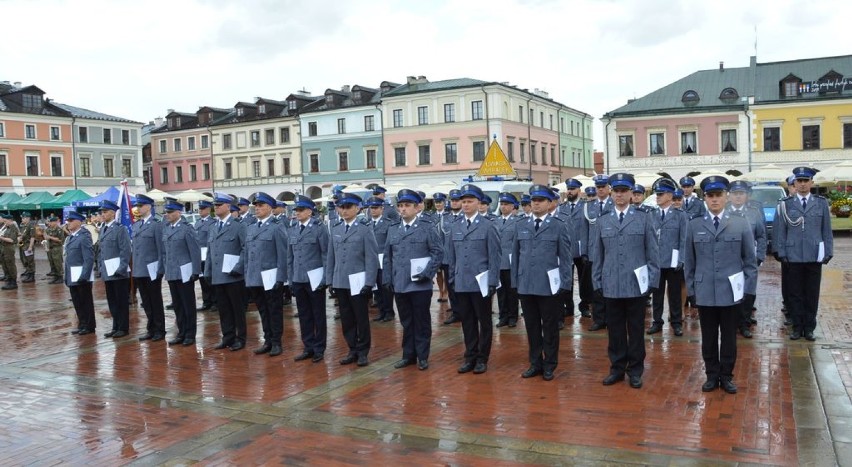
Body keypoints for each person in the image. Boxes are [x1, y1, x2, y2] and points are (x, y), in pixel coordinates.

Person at [684, 176, 757, 394]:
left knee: (728, 337)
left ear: (726, 196)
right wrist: (691, 291)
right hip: (705, 291)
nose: (714, 199)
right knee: (707, 337)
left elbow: (750, 261)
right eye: (710, 195)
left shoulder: (740, 223)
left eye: (718, 195)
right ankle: (711, 375)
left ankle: (726, 376)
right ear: (704, 198)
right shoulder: (694, 224)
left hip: (730, 292)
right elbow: (689, 262)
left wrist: (747, 291)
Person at [591, 173, 659, 389]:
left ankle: (636, 370)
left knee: (636, 329)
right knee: (615, 330)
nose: (620, 195)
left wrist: (651, 281)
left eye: (624, 191)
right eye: (616, 191)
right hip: (611, 284)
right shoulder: (603, 221)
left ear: (631, 193)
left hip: (636, 284)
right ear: (611, 193)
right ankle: (617, 368)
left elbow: (653, 253)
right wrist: (597, 281)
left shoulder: (644, 218)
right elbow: (597, 255)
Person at [513, 185, 573, 381]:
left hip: (549, 286)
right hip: (527, 284)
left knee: (549, 327)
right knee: (531, 326)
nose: (536, 203)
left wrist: (565, 283)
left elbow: (565, 258)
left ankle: (550, 364)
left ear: (550, 203)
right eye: (533, 200)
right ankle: (535, 362)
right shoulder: (521, 225)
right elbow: (516, 256)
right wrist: (516, 282)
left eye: (540, 200)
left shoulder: (558, 225)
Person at [384, 189, 443, 370]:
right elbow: (388, 256)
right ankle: (408, 354)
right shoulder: (393, 228)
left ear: (417, 207)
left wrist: (428, 272)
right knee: (406, 321)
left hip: (420, 283)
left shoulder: (427, 227)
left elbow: (437, 252)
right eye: (400, 205)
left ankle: (422, 356)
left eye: (407, 205)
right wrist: (387, 278)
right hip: (400, 283)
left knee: (422, 321)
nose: (403, 209)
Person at [446, 184, 501, 375]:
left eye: (470, 201)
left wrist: (493, 280)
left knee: (483, 321)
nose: (466, 205)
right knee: (467, 321)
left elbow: (495, 256)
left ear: (479, 203)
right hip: (461, 282)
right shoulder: (455, 227)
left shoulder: (488, 226)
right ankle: (470, 355)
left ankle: (482, 358)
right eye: (464, 201)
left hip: (481, 281)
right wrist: (452, 278)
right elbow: (451, 256)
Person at [773, 167, 833, 341]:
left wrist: (828, 251)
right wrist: (781, 251)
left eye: (806, 181)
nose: (802, 184)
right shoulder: (786, 204)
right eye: (799, 181)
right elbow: (781, 231)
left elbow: (826, 230)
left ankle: (809, 328)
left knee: (812, 293)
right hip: (793, 256)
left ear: (812, 183)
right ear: (794, 183)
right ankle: (797, 327)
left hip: (814, 255)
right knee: (795, 294)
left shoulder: (820, 203)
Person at [326, 192, 378, 367]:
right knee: (346, 318)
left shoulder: (364, 230)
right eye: (342, 207)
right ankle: (352, 349)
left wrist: (370, 282)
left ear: (357, 208)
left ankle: (363, 351)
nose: (345, 210)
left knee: (361, 318)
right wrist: (330, 280)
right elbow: (331, 257)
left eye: (349, 207)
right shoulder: (336, 229)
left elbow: (371, 258)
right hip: (341, 280)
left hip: (358, 281)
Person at [286, 195, 329, 362]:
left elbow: (325, 254)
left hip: (315, 278)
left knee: (318, 314)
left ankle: (319, 348)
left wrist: (325, 278)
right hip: (298, 278)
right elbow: (290, 258)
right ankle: (308, 346)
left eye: (301, 210)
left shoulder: (319, 228)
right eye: (296, 210)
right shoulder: (293, 229)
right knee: (304, 315)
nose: (297, 213)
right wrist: (290, 280)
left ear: (310, 211)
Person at [245, 192, 289, 357]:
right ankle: (268, 340)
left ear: (270, 208)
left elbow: (282, 255)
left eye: (261, 205)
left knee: (274, 310)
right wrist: (247, 276)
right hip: (255, 277)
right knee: (263, 310)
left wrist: (280, 278)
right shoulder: (251, 227)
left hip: (271, 277)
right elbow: (248, 255)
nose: (257, 208)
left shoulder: (277, 227)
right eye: (256, 205)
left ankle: (277, 342)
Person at [205, 194, 248, 351]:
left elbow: (245, 248)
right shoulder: (213, 227)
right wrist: (207, 271)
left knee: (237, 309)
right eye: (215, 205)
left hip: (233, 275)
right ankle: (227, 336)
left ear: (228, 207)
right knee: (223, 309)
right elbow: (210, 252)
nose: (216, 207)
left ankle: (241, 338)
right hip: (218, 275)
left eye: (219, 205)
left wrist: (238, 267)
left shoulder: (238, 225)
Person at [648, 178, 688, 337]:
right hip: (656, 261)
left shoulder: (680, 215)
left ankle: (676, 322)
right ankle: (657, 321)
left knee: (675, 294)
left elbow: (684, 239)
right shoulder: (651, 214)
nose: (657, 196)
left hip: (673, 261)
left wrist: (682, 259)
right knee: (656, 294)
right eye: (656, 194)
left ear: (670, 196)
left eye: (660, 194)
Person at [727, 181, 767, 338]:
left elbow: (762, 236)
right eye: (735, 193)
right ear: (729, 196)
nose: (738, 197)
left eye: (741, 193)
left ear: (747, 196)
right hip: (730, 259)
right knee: (731, 291)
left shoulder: (754, 212)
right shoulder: (724, 212)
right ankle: (732, 323)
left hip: (749, 259)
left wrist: (760, 256)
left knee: (748, 291)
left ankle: (744, 323)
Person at [162, 201, 202, 346]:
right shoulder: (166, 229)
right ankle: (181, 332)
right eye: (167, 212)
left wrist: (196, 270)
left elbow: (195, 251)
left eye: (171, 212)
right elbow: (165, 252)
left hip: (185, 272)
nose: (168, 215)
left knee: (188, 304)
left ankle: (190, 334)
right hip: (172, 272)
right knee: (178, 305)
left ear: (179, 212)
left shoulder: (187, 229)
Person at [132, 194, 167, 341]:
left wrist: (160, 268)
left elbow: (161, 249)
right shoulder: (136, 225)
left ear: (149, 207)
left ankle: (159, 329)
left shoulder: (156, 225)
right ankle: (151, 328)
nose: (138, 208)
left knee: (155, 300)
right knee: (145, 301)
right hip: (140, 269)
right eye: (137, 206)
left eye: (141, 206)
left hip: (152, 269)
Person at [97, 200, 132, 339]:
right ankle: (115, 326)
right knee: (112, 301)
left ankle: (123, 328)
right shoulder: (103, 229)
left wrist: (122, 267)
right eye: (102, 212)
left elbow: (125, 250)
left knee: (121, 301)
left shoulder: (120, 229)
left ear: (112, 213)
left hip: (118, 272)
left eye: (105, 212)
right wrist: (100, 267)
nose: (102, 214)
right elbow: (101, 251)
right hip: (107, 271)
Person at [584, 174, 613, 331]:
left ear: (609, 188)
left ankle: (610, 317)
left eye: (603, 187)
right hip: (594, 251)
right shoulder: (589, 206)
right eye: (598, 187)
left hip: (609, 250)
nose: (600, 190)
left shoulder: (614, 204)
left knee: (609, 283)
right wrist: (585, 251)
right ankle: (598, 318)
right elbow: (585, 230)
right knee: (596, 286)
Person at [559, 178, 590, 320]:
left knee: (584, 280)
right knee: (567, 279)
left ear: (579, 190)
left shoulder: (585, 206)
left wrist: (586, 249)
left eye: (572, 189)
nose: (570, 191)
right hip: (566, 249)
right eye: (568, 189)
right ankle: (568, 306)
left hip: (581, 249)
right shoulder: (562, 207)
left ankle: (584, 306)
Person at [64, 211, 96, 335]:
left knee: (85, 301)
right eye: (68, 221)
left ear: (78, 222)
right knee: (77, 301)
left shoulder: (84, 236)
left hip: (82, 276)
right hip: (72, 275)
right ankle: (82, 324)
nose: (68, 223)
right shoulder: (71, 237)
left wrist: (85, 275)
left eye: (71, 221)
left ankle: (89, 325)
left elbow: (88, 258)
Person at [363, 197, 394, 322]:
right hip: (372, 261)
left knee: (386, 287)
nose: (373, 210)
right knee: (376, 288)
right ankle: (381, 311)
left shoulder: (388, 223)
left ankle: (389, 312)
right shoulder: (366, 224)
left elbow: (390, 243)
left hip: (384, 260)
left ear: (382, 208)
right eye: (371, 208)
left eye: (376, 208)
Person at [496, 192, 520, 328]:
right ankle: (503, 316)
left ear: (513, 206)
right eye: (502, 204)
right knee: (501, 292)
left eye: (506, 204)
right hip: (499, 261)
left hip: (511, 262)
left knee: (512, 291)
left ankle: (512, 317)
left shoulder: (517, 221)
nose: (503, 207)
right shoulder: (496, 221)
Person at [441, 189, 464, 325]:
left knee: (461, 286)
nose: (454, 203)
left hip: (461, 258)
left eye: (457, 200)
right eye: (453, 200)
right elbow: (441, 238)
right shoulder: (445, 217)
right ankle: (456, 312)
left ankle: (465, 311)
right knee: (450, 286)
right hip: (447, 258)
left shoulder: (465, 216)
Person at [195, 200, 216, 311]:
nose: (200, 211)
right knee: (202, 280)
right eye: (199, 209)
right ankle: (206, 301)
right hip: (199, 255)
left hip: (208, 254)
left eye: (202, 209)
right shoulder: (197, 223)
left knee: (210, 279)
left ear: (208, 209)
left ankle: (214, 301)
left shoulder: (212, 223)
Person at [0, 213, 20, 290]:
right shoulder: (7, 228)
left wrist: (1, 238)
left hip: (9, 248)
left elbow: (11, 240)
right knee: (5, 265)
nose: (4, 223)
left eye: (5, 221)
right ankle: (9, 280)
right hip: (4, 248)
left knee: (10, 265)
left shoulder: (13, 228)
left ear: (10, 220)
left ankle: (13, 282)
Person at [44, 216, 65, 284]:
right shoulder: (48, 229)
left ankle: (60, 277)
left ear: (55, 222)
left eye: (51, 222)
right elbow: (45, 237)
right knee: (52, 263)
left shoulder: (59, 230)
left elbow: (61, 240)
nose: (50, 223)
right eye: (50, 222)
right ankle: (55, 277)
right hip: (50, 248)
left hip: (57, 248)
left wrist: (50, 237)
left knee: (57, 263)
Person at [18, 211, 37, 283]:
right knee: (25, 260)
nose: (22, 219)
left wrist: (30, 247)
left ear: (28, 218)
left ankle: (32, 276)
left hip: (28, 245)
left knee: (30, 261)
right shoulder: (24, 226)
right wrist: (20, 242)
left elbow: (32, 237)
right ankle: (28, 273)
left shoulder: (31, 225)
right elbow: (22, 235)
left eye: (23, 218)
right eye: (22, 218)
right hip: (23, 245)